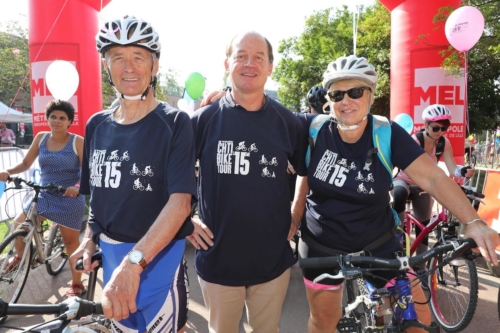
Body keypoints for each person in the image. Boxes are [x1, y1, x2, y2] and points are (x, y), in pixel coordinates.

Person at [291, 54, 500, 333]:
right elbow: (265, 127)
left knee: (419, 321)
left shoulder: (387, 132)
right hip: (323, 245)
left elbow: (434, 178)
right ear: (328, 99)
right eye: (337, 94)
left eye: (355, 91)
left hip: (378, 241)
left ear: (370, 93)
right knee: (323, 321)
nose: (346, 101)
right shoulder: (312, 128)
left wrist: (473, 222)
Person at [71, 15, 196, 333]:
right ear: (105, 65)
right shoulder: (96, 124)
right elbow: (97, 197)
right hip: (113, 258)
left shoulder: (175, 122)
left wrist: (133, 264)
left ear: (154, 66)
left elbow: (181, 203)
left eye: (138, 56)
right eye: (118, 57)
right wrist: (88, 240)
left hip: (157, 258)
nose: (129, 67)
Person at [189, 31, 306, 333]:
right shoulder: (203, 120)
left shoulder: (288, 122)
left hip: (271, 262)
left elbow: (305, 170)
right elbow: (173, 175)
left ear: (270, 67)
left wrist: (296, 213)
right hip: (217, 262)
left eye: (259, 57)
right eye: (241, 56)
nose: (249, 63)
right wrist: (185, 222)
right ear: (227, 63)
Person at [0, 99, 86, 298]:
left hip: (68, 197)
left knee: (71, 243)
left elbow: (86, 170)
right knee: (18, 226)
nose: (56, 121)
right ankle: (22, 256)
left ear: (69, 121)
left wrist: (76, 187)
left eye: (62, 118)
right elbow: (25, 163)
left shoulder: (77, 141)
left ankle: (77, 284)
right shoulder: (41, 138)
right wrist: (7, 171)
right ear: (47, 118)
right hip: (45, 193)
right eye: (53, 117)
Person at [392, 104, 475, 258]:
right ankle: (397, 232)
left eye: (444, 128)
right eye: (436, 128)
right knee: (398, 192)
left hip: (424, 184)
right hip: (406, 180)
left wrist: (463, 171)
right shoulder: (414, 141)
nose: (440, 132)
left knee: (424, 227)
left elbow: (452, 169)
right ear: (425, 125)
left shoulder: (444, 143)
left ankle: (422, 268)